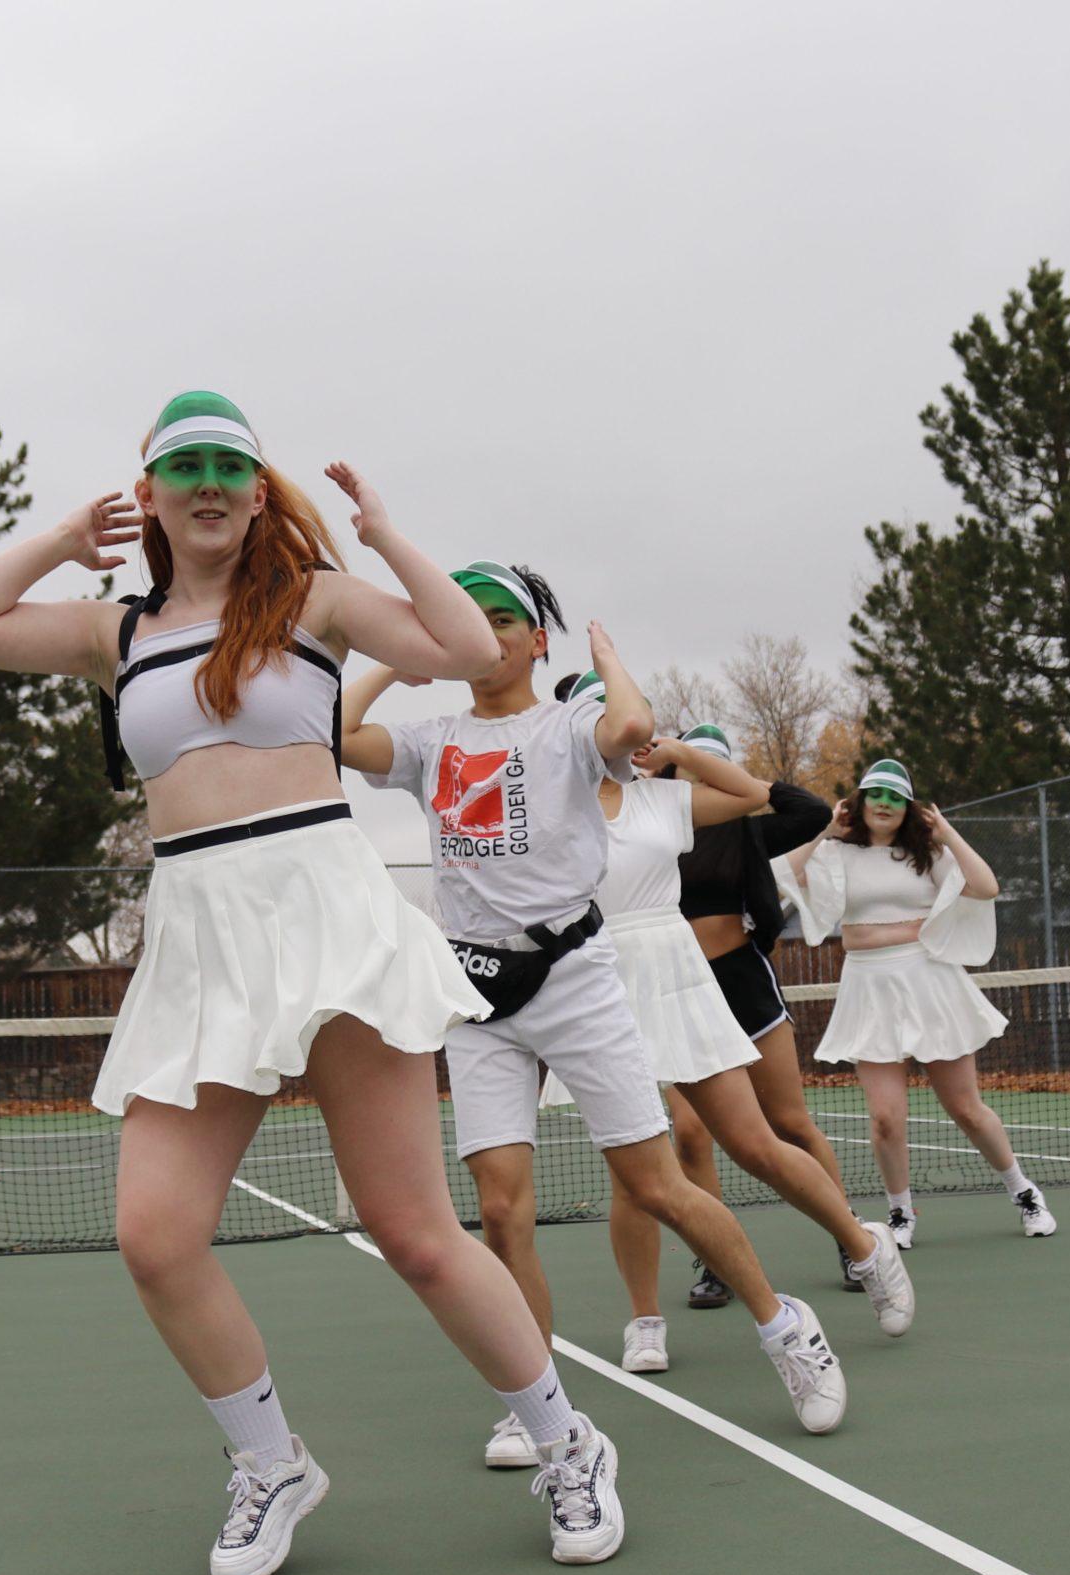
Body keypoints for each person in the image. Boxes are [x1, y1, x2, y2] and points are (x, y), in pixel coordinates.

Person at [0, 393, 620, 1575]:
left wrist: (386, 534)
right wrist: (56, 539)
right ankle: (270, 1463)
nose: (206, 484)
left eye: (228, 469)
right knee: (154, 1236)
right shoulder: (116, 631)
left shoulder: (313, 602)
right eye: (180, 467)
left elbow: (455, 648)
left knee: (413, 1231)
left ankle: (568, 1443)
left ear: (257, 492)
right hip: (201, 939)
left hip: (327, 916)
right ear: (148, 494)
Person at [340, 563, 854, 1470]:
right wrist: (398, 657)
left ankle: (785, 1327)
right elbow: (334, 734)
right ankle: (532, 1399)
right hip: (477, 992)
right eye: (467, 621)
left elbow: (630, 726)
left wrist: (608, 655)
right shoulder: (432, 740)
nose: (486, 634)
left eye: (504, 620)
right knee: (500, 1211)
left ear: (539, 639)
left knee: (659, 1185)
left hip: (577, 976)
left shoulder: (569, 724)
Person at [542, 683, 911, 1374]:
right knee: (633, 1172)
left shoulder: (666, 800)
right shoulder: (554, 809)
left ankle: (864, 1246)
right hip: (601, 989)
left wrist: (681, 753)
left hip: (685, 981)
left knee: (756, 1141)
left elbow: (755, 797)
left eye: (620, 724)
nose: (609, 735)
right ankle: (644, 1320)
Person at [781, 758, 1057, 1242]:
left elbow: (987, 887)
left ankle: (1024, 1193)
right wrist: (826, 829)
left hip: (930, 981)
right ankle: (901, 1213)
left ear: (908, 808)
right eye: (875, 795)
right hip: (867, 986)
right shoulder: (838, 854)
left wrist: (947, 833)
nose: (884, 804)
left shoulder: (928, 853)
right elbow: (784, 874)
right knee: (886, 1118)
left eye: (895, 797)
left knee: (966, 1108)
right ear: (860, 803)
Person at [644, 726, 872, 1305]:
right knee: (691, 1136)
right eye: (694, 765)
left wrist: (698, 756)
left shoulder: (750, 829)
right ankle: (717, 1259)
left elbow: (811, 809)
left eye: (713, 764)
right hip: (677, 992)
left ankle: (851, 1238)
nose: (702, 774)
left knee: (788, 1124)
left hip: (742, 984)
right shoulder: (653, 827)